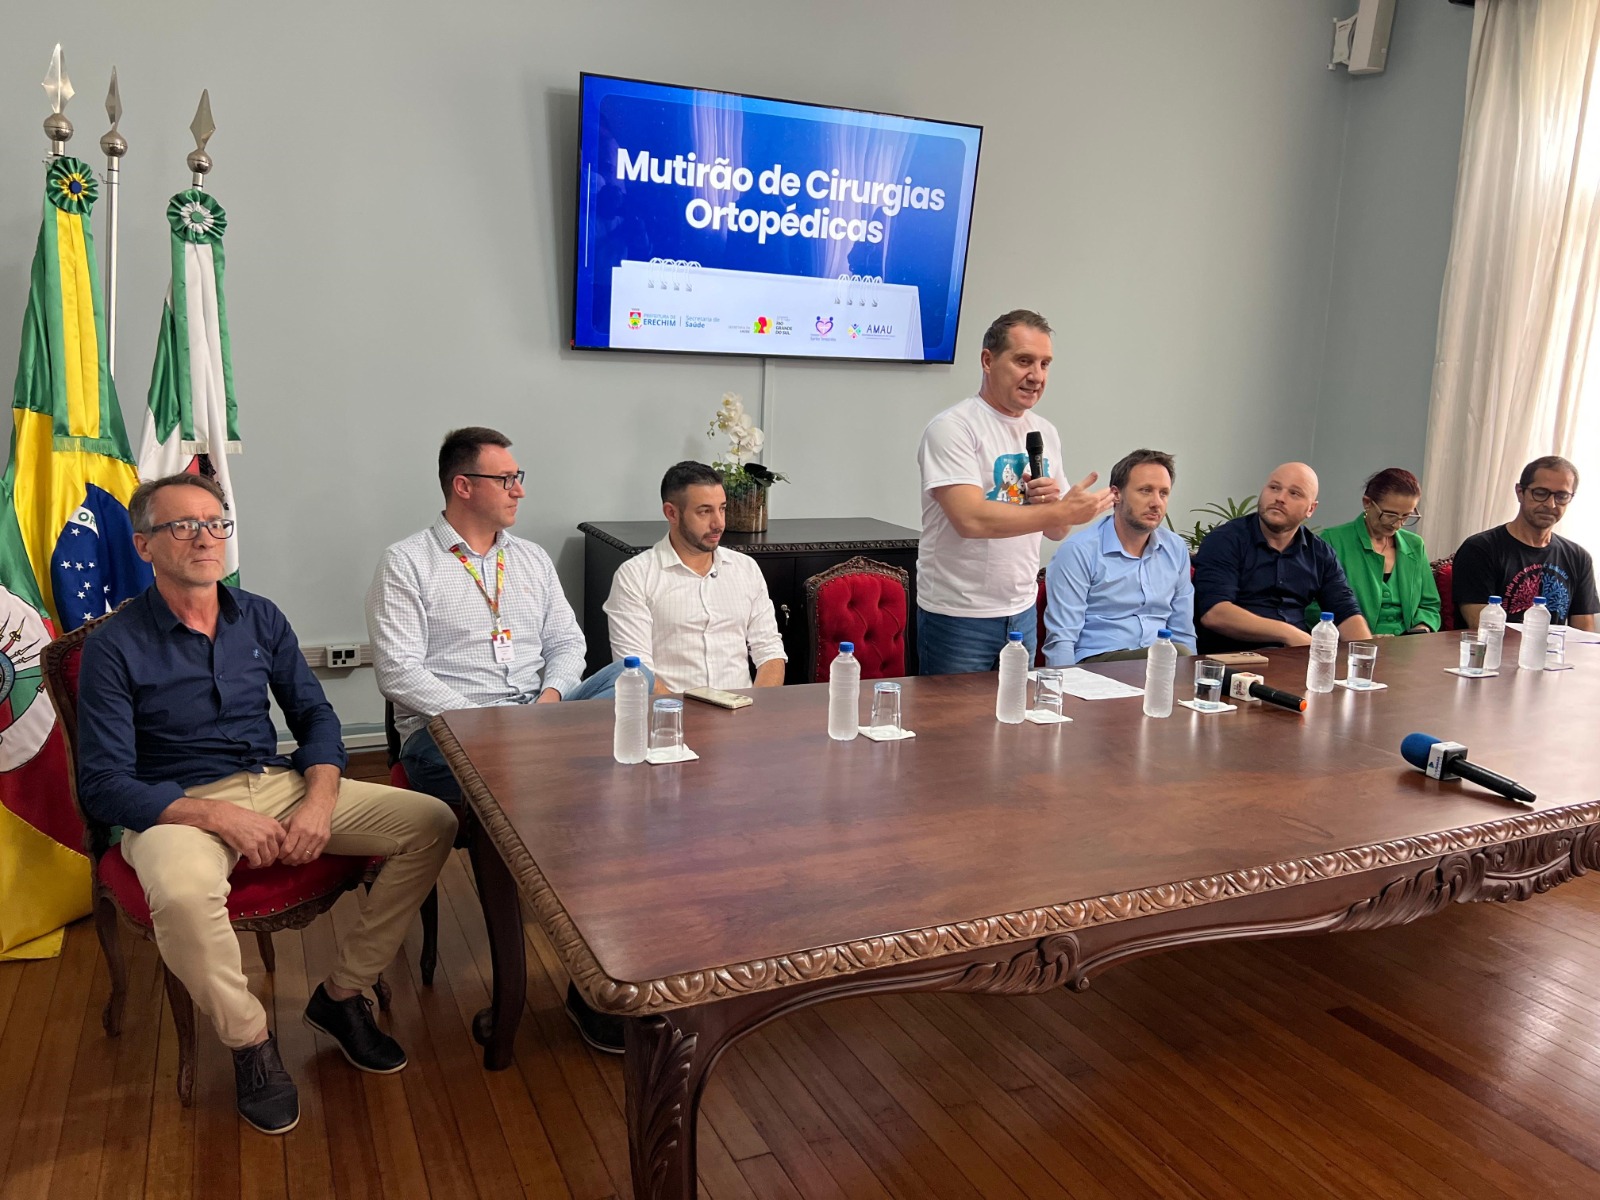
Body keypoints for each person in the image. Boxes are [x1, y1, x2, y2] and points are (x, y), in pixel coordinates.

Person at [76, 474, 457, 1136]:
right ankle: (250, 1042)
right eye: (182, 526)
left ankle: (342, 995)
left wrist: (319, 799)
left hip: (275, 782)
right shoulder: (113, 645)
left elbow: (316, 717)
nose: (205, 538)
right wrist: (219, 817)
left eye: (215, 523)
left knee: (432, 822)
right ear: (144, 545)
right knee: (183, 893)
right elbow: (104, 783)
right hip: (175, 805)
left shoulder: (259, 616)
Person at [366, 427, 647, 1055]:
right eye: (507, 479)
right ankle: (591, 979)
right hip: (449, 735)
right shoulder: (406, 562)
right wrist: (491, 724)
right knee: (597, 801)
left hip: (540, 720)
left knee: (637, 680)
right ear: (463, 486)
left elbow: (568, 644)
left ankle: (612, 948)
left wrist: (549, 703)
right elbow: (399, 674)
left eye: (519, 478)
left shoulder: (531, 559)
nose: (519, 489)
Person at [916, 309, 1111, 674]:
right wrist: (1059, 511)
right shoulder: (953, 428)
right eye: (1024, 361)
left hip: (1021, 611)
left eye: (1045, 364)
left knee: (1015, 711)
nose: (1036, 376)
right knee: (956, 714)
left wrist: (1055, 505)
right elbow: (970, 519)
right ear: (987, 360)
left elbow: (1057, 530)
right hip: (959, 616)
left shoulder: (1045, 432)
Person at [603, 461, 787, 693]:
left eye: (722, 508)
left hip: (744, 709)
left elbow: (770, 652)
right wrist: (682, 714)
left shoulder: (745, 569)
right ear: (671, 513)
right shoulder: (635, 577)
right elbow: (638, 673)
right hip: (670, 711)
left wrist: (756, 708)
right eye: (704, 511)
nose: (719, 523)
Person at [1193, 462, 1372, 652]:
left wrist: (1366, 655)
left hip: (1296, 658)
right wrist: (1288, 633)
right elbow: (1215, 613)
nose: (1280, 498)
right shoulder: (1225, 540)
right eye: (1274, 488)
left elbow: (1346, 612)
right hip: (1235, 658)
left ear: (1311, 509)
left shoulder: (1320, 553)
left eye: (1294, 493)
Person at [1041, 448, 1195, 664]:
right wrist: (1064, 683)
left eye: (1163, 493)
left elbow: (1183, 631)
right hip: (1099, 663)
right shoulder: (1079, 551)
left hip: (1160, 666)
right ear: (1116, 494)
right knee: (1177, 654)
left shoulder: (1175, 548)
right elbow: (1062, 638)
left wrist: (1190, 679)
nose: (1156, 502)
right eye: (1145, 491)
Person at [1452, 455, 1597, 631]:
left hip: (1555, 649)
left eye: (1562, 496)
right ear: (1520, 492)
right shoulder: (1480, 549)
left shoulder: (1578, 557)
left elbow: (1585, 636)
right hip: (1495, 648)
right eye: (1540, 493)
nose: (1551, 504)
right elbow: (1482, 628)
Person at [1310, 468, 1440, 636]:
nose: (1397, 524)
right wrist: (1357, 635)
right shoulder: (1331, 540)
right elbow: (1312, 607)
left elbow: (1429, 605)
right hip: (1354, 644)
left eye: (1406, 516)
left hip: (1409, 645)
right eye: (1390, 515)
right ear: (1367, 503)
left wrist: (1420, 630)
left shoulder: (1415, 545)